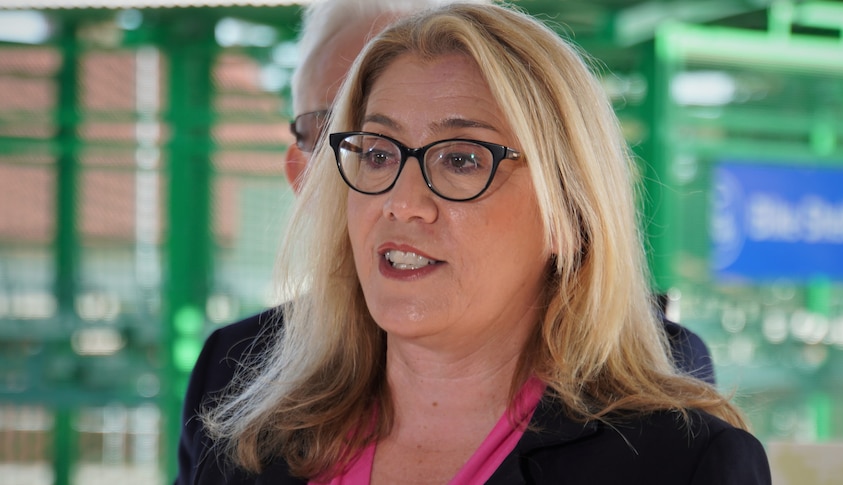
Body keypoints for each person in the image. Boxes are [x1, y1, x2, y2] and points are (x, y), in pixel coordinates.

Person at [189, 3, 769, 483]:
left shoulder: (682, 463)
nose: (402, 200)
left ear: (568, 210)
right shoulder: (247, 438)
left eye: (462, 159)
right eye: (378, 153)